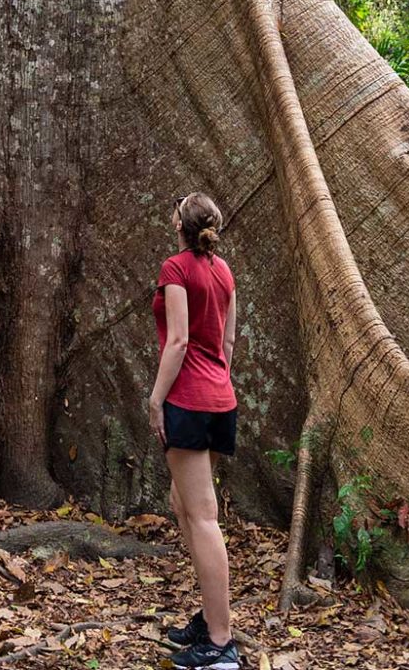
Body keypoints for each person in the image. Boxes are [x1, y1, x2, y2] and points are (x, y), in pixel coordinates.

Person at [149, 191, 241, 669]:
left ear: (178, 223)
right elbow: (226, 339)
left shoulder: (176, 269)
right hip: (220, 398)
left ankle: (222, 645)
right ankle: (211, 617)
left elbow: (180, 339)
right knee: (182, 505)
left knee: (202, 516)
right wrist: (216, 383)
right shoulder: (224, 271)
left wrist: (156, 398)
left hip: (187, 399)